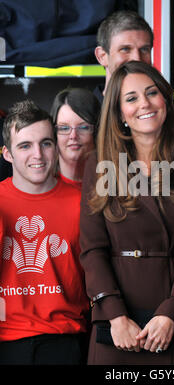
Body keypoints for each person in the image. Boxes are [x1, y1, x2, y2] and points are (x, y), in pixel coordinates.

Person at [79, 61, 174, 365]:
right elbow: (92, 249)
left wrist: (171, 312)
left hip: (173, 321)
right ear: (119, 114)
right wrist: (115, 315)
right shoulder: (99, 165)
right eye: (131, 98)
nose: (144, 104)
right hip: (116, 327)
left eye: (152, 93)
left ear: (166, 99)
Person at [0, 100, 89, 365]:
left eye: (46, 143)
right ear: (7, 153)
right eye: (25, 145)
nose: (38, 154)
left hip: (65, 339)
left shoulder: (82, 203)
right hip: (6, 341)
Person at [93, 9, 174, 144]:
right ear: (102, 56)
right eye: (125, 49)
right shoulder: (84, 117)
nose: (137, 58)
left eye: (144, 49)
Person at [50, 88, 101, 189]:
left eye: (83, 127)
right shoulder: (40, 187)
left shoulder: (116, 186)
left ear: (97, 131)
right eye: (64, 128)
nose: (73, 136)